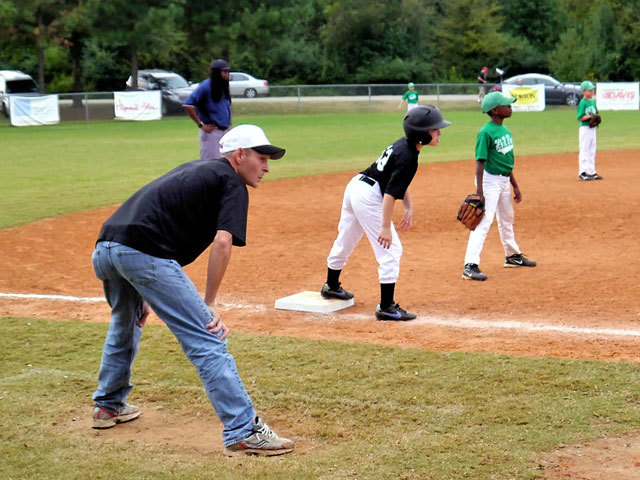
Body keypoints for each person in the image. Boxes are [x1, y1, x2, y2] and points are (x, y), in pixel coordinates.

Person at [90, 124, 294, 456]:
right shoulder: (231, 182)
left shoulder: (197, 169)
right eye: (262, 157)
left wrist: (137, 286)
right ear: (239, 155)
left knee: (125, 322)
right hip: (142, 253)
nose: (267, 167)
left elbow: (151, 216)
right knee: (208, 335)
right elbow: (223, 242)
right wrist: (209, 302)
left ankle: (107, 406)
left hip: (106, 249)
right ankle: (244, 429)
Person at [321, 105, 451, 321]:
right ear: (421, 134)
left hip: (356, 186)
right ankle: (386, 306)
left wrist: (408, 206)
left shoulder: (404, 146)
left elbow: (398, 181)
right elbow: (390, 194)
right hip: (370, 196)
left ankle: (331, 285)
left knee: (346, 239)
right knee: (391, 250)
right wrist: (384, 227)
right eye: (435, 129)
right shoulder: (409, 155)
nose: (439, 133)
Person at [462, 91, 536, 281]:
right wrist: (479, 192)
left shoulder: (505, 130)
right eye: (506, 104)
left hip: (503, 180)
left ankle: (512, 256)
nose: (510, 106)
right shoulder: (485, 132)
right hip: (489, 181)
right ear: (495, 110)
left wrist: (515, 185)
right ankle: (470, 265)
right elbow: (480, 162)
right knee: (484, 221)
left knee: (507, 217)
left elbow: (506, 162)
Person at [183, 59, 232, 161]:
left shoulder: (223, 86)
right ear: (217, 73)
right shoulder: (205, 86)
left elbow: (227, 107)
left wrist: (229, 125)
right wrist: (201, 125)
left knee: (226, 164)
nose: (227, 74)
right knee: (210, 165)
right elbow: (188, 105)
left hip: (225, 131)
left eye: (228, 71)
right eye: (225, 71)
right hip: (212, 132)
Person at [576, 80, 602, 181]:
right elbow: (579, 117)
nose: (592, 92)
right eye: (589, 90)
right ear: (583, 91)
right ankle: (582, 172)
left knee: (592, 150)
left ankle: (592, 171)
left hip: (592, 129)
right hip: (585, 129)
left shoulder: (592, 101)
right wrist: (589, 117)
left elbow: (596, 113)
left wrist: (596, 117)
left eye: (592, 90)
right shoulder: (583, 102)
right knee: (584, 149)